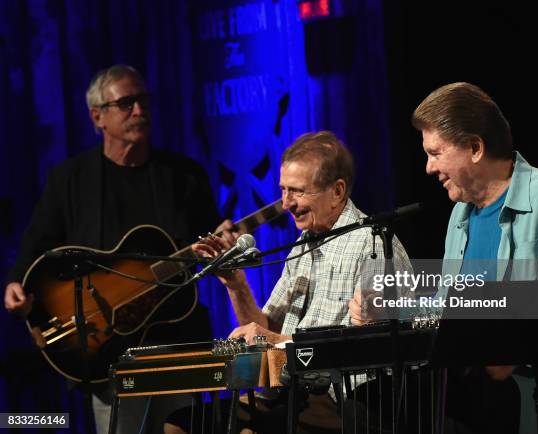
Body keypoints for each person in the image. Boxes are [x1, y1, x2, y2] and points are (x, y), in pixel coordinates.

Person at [3, 64, 228, 434]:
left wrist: (221, 243)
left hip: (174, 339)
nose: (139, 110)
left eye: (143, 100)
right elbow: (37, 244)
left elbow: (210, 234)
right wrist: (16, 282)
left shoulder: (184, 176)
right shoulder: (70, 180)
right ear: (98, 117)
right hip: (107, 348)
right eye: (126, 103)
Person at [164, 131, 413, 434]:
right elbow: (267, 327)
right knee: (180, 425)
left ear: (337, 191)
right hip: (289, 389)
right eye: (283, 190)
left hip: (343, 403)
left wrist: (273, 341)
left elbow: (361, 351)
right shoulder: (303, 244)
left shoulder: (373, 245)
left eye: (296, 191)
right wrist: (236, 285)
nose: (285, 204)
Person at [411, 82, 538, 433]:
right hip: (478, 384)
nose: (428, 168)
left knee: (439, 397)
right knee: (393, 392)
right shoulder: (460, 217)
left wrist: (518, 347)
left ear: (475, 147)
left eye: (436, 152)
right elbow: (447, 307)